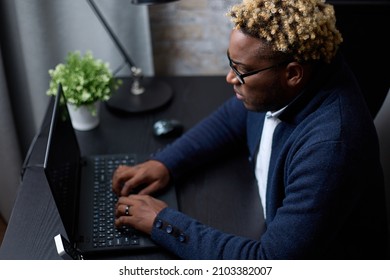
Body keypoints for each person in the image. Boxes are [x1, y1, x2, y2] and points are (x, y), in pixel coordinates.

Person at [112, 0, 388, 259]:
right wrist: (165, 163)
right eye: (231, 63)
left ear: (292, 74)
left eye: (241, 70)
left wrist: (163, 223)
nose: (230, 77)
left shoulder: (330, 148)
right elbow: (235, 116)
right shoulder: (286, 85)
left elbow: (267, 262)